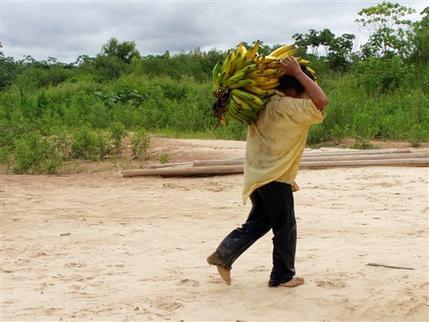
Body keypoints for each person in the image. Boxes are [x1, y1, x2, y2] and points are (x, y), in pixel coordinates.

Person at [207, 56, 329, 288]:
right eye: (303, 91)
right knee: (286, 226)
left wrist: (296, 76)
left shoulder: (264, 103)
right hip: (275, 177)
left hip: (257, 176)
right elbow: (321, 101)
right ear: (294, 91)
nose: (306, 96)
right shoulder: (288, 107)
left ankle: (224, 255)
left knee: (260, 222)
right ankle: (282, 276)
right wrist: (298, 72)